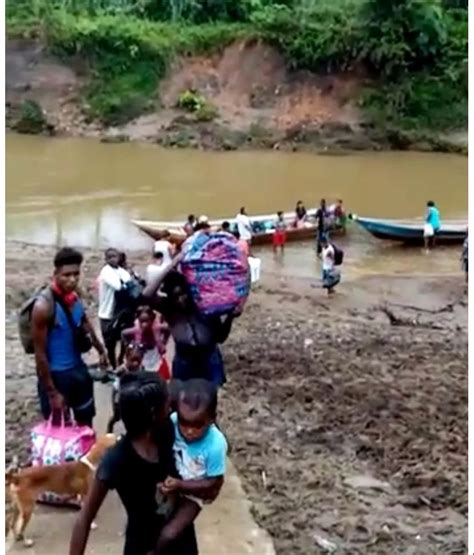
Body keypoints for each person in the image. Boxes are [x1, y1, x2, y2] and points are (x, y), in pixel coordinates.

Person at [69, 372, 201, 555]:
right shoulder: (117, 460)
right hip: (142, 548)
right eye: (167, 403)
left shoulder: (173, 434)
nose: (171, 407)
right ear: (155, 414)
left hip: (181, 544)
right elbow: (84, 519)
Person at [32, 247, 107, 427]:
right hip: (57, 376)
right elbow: (39, 354)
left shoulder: (75, 297)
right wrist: (52, 393)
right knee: (58, 431)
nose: (72, 280)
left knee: (86, 423)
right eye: (66, 275)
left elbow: (84, 321)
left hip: (78, 371)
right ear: (55, 273)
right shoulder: (43, 307)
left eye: (76, 274)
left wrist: (100, 349)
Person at [154, 379, 227, 553]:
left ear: (211, 420)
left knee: (169, 535)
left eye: (197, 425)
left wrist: (180, 485)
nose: (189, 431)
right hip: (173, 479)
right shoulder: (171, 423)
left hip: (194, 494)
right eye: (184, 422)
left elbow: (213, 483)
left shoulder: (216, 444)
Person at [142, 257, 236, 387]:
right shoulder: (169, 309)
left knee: (210, 398)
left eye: (183, 294)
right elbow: (147, 295)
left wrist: (230, 317)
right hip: (184, 360)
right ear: (169, 296)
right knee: (183, 399)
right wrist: (170, 266)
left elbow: (220, 338)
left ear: (189, 291)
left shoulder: (204, 305)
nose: (180, 299)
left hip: (209, 358)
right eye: (175, 296)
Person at [98, 248, 132, 368]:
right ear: (106, 259)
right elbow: (118, 286)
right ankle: (113, 366)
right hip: (107, 313)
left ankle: (120, 359)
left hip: (120, 313)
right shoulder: (106, 272)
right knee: (110, 344)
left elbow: (129, 281)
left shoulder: (121, 271)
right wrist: (126, 284)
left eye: (115, 256)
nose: (113, 259)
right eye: (110, 257)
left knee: (125, 339)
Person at [106, 343, 144, 433]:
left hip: (131, 395)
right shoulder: (123, 370)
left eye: (138, 360)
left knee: (132, 417)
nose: (135, 363)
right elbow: (113, 374)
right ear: (127, 358)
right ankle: (109, 428)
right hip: (119, 395)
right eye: (133, 360)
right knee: (117, 417)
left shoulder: (141, 369)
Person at [121, 306, 169, 373]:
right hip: (141, 353)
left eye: (146, 321)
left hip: (154, 354)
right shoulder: (137, 329)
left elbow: (168, 328)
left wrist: (164, 341)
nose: (144, 325)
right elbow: (123, 333)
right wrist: (128, 346)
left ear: (151, 319)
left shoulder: (156, 327)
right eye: (142, 321)